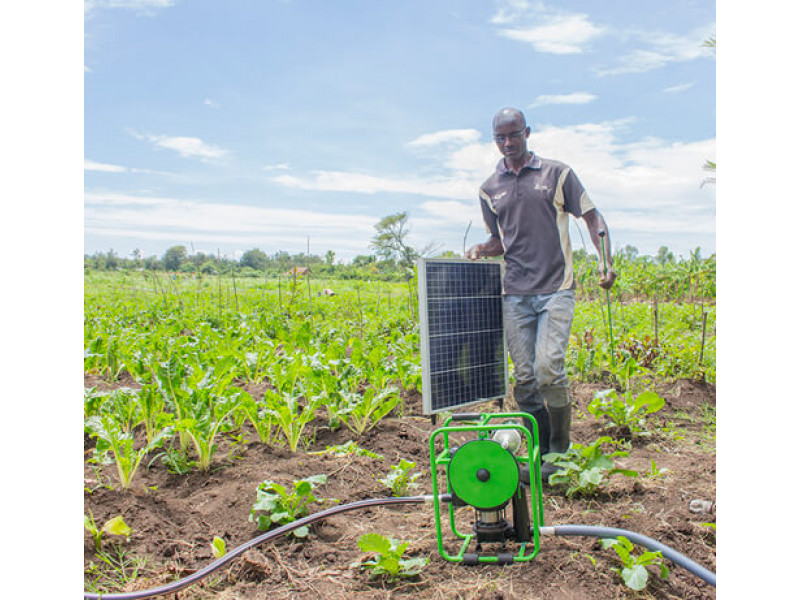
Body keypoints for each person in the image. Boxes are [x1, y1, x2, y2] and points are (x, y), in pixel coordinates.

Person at [467, 107, 616, 480]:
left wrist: (605, 260)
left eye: (514, 135)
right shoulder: (489, 189)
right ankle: (541, 452)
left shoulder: (557, 174)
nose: (507, 143)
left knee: (548, 368)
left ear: (527, 133)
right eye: (500, 137)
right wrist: (483, 249)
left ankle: (559, 451)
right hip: (515, 293)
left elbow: (592, 216)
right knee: (526, 377)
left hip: (555, 288)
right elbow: (499, 240)